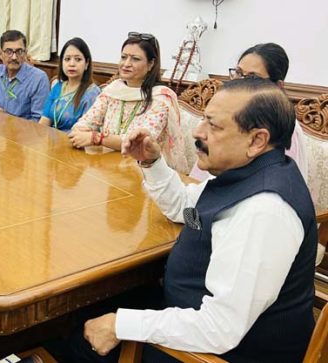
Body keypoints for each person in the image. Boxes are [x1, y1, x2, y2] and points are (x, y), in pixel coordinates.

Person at [72, 78, 316, 362]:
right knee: (85, 311)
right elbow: (187, 209)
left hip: (213, 352)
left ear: (257, 140)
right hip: (186, 313)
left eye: (213, 125)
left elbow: (219, 328)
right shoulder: (246, 174)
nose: (197, 132)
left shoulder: (264, 210)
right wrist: (151, 162)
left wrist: (121, 325)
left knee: (68, 339)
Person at [69, 32, 188, 174]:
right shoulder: (112, 91)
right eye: (123, 57)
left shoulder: (161, 98)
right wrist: (84, 133)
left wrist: (97, 137)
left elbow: (139, 143)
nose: (126, 64)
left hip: (147, 172)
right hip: (109, 167)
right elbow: (82, 125)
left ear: (151, 64)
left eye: (135, 59)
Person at [189, 42, 308, 182]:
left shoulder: (282, 128)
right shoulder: (226, 113)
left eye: (252, 78)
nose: (240, 82)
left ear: (277, 87)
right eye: (238, 73)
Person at [38, 37, 101, 131]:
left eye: (78, 59)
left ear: (87, 64)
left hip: (75, 142)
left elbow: (87, 131)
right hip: (50, 140)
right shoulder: (58, 86)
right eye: (67, 59)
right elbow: (44, 121)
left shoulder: (92, 93)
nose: (72, 64)